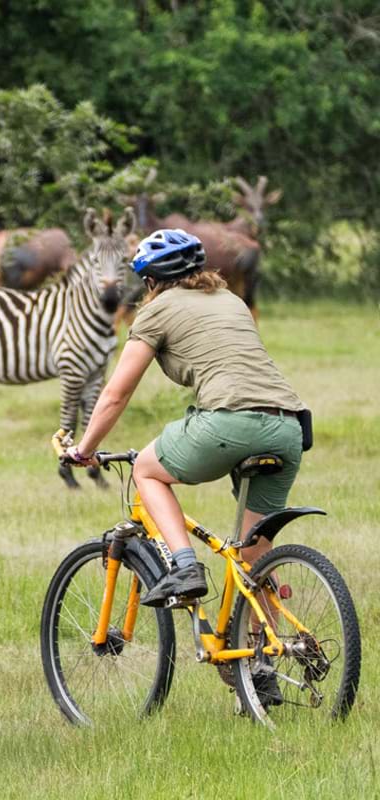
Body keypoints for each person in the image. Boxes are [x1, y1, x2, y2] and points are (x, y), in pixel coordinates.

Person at [63, 228, 305, 609]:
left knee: (146, 470)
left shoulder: (156, 310)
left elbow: (116, 394)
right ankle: (267, 646)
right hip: (289, 426)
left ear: (150, 281)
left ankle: (186, 567)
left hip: (229, 420)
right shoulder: (232, 300)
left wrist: (84, 450)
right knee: (254, 555)